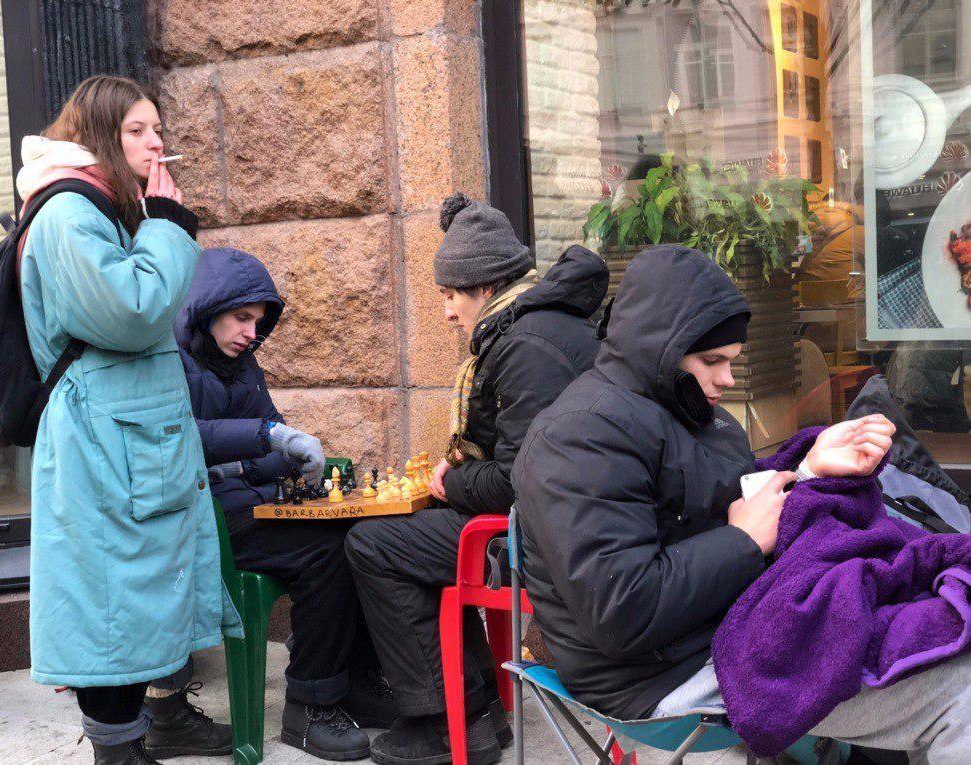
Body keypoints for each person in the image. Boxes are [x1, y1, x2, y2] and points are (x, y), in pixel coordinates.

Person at [513, 245, 968, 762]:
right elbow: (622, 612)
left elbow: (728, 506)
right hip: (665, 673)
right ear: (660, 348)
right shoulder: (578, 438)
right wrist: (743, 541)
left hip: (738, 626)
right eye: (712, 361)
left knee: (941, 622)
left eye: (730, 361)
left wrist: (808, 471)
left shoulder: (695, 414)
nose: (728, 379)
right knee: (962, 692)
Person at [17, 76, 241, 765]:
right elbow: (129, 310)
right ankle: (117, 753)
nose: (157, 142)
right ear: (98, 136)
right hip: (101, 445)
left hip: (125, 442)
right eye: (138, 130)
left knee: (132, 602)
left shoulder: (105, 207)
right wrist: (171, 231)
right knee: (108, 607)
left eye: (158, 128)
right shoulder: (65, 213)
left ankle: (138, 737)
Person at [345, 193, 609, 765]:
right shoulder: (541, 327)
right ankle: (479, 712)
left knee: (373, 544)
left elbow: (523, 478)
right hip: (567, 524)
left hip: (548, 543)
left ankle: (444, 720)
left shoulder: (524, 347)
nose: (446, 312)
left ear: (484, 288)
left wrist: (452, 481)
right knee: (416, 536)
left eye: (449, 296)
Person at [164, 245, 394, 761]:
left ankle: (354, 681)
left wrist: (292, 461)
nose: (251, 332)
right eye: (241, 317)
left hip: (242, 505)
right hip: (199, 522)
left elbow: (260, 448)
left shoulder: (244, 366)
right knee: (325, 555)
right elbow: (181, 433)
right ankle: (309, 710)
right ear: (207, 307)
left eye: (258, 321)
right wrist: (267, 437)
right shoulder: (164, 360)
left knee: (361, 541)